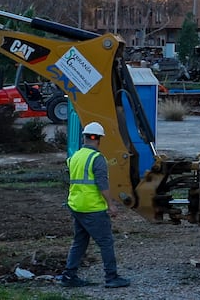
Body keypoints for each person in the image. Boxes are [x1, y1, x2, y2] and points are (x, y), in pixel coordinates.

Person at [60, 122, 131, 289]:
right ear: (99, 139)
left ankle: (69, 276)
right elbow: (102, 184)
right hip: (93, 208)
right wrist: (111, 205)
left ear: (84, 137)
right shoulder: (97, 159)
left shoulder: (75, 156)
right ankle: (111, 277)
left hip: (76, 206)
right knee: (105, 242)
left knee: (80, 241)